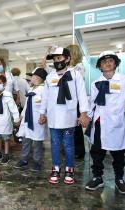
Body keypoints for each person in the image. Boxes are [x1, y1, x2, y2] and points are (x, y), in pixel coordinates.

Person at [85, 51, 125, 195]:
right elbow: (92, 103)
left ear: (115, 63)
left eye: (111, 60)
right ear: (100, 66)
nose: (108, 63)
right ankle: (98, 177)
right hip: (99, 123)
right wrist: (87, 118)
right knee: (96, 153)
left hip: (116, 124)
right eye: (104, 61)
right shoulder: (95, 83)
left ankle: (119, 180)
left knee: (118, 154)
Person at [39, 47, 89, 185]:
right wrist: (42, 113)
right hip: (54, 118)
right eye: (55, 59)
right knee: (55, 145)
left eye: (59, 58)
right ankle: (55, 169)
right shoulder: (50, 77)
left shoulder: (76, 74)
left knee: (68, 145)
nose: (56, 61)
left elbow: (82, 95)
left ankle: (69, 170)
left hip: (69, 117)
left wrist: (83, 113)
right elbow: (45, 98)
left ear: (67, 59)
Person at [14, 68, 48, 172]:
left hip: (38, 121)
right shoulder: (31, 89)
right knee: (26, 140)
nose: (30, 78)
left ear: (38, 78)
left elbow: (46, 105)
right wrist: (21, 116)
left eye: (32, 76)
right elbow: (27, 106)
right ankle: (24, 159)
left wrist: (44, 116)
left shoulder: (44, 90)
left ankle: (37, 162)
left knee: (37, 143)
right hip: (28, 119)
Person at [0, 75, 20, 164]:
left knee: (6, 138)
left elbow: (13, 108)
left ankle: (6, 154)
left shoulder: (8, 95)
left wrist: (16, 118)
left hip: (5, 120)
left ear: (4, 84)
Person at [66, 44, 86, 159]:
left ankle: (79, 151)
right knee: (71, 126)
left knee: (77, 127)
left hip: (77, 100)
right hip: (70, 100)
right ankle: (72, 149)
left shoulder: (79, 67)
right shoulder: (71, 67)